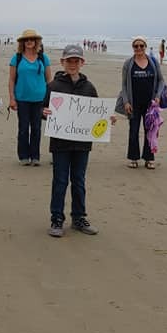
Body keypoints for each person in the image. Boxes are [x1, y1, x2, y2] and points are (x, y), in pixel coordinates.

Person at [42, 44, 100, 237]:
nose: (73, 64)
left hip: (83, 144)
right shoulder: (53, 86)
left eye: (76, 61)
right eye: (69, 61)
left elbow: (96, 113)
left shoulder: (89, 87)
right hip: (60, 143)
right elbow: (42, 110)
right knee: (60, 181)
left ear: (82, 62)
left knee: (79, 181)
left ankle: (79, 218)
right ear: (63, 62)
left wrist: (106, 119)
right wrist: (44, 112)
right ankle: (57, 219)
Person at [117, 35, 166, 170]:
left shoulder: (153, 62)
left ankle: (149, 158)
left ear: (145, 46)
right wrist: (126, 102)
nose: (138, 48)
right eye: (136, 46)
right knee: (133, 131)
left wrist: (157, 96)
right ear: (133, 47)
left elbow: (161, 81)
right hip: (133, 104)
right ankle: (133, 158)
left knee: (150, 131)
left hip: (150, 105)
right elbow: (124, 85)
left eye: (141, 46)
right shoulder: (128, 63)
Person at [8, 29, 52, 166]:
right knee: (23, 129)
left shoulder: (43, 58)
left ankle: (35, 156)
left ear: (36, 42)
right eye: (26, 40)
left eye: (32, 39)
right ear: (22, 42)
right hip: (22, 99)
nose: (29, 42)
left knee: (37, 129)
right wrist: (12, 98)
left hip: (40, 100)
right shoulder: (17, 58)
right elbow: (11, 80)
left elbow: (49, 80)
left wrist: (50, 100)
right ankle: (24, 156)